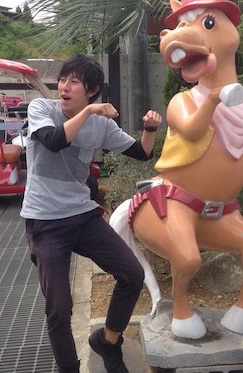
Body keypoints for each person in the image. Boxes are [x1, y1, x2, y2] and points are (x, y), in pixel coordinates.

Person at [20, 55, 162, 373]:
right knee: (59, 308)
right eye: (63, 80)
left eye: (74, 82)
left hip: (83, 216)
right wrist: (88, 111)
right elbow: (54, 141)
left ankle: (108, 342)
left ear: (92, 90)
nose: (64, 87)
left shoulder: (102, 125)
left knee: (132, 274)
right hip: (45, 220)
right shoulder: (42, 109)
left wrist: (150, 129)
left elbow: (142, 152)